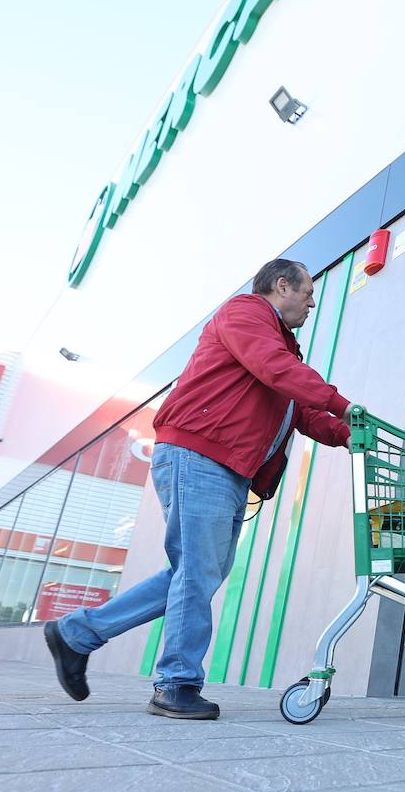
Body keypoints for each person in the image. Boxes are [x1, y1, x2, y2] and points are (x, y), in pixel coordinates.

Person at [43, 259, 356, 720]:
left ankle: (77, 634)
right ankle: (176, 682)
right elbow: (276, 371)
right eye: (308, 292)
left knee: (193, 572)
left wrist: (349, 432)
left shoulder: (281, 349)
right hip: (201, 456)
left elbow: (299, 412)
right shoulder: (246, 314)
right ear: (282, 285)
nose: (312, 302)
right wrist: (343, 404)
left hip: (225, 466)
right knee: (196, 573)